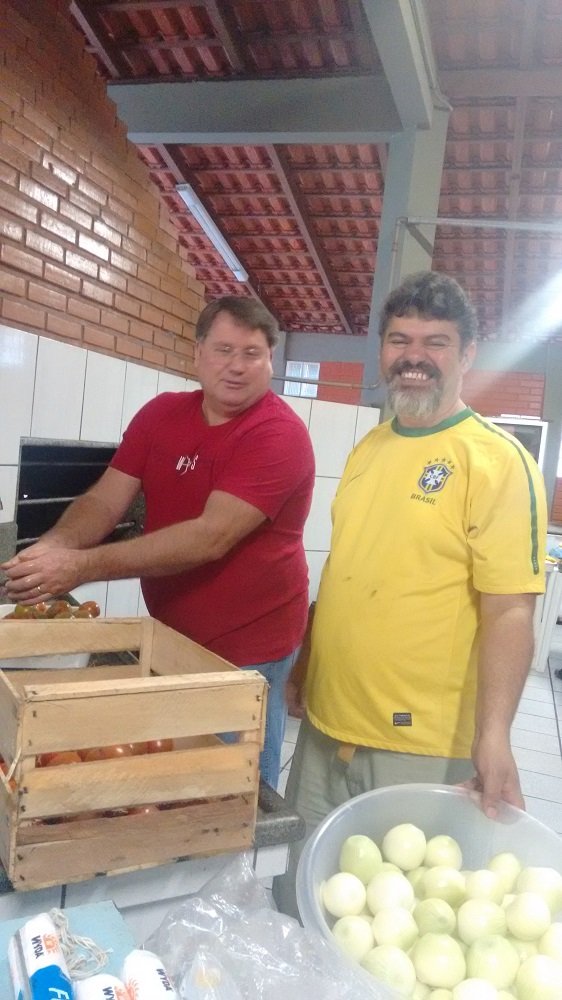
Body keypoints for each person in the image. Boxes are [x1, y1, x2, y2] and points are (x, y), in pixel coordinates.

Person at [273, 270, 547, 918]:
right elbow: (349, 569)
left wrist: (495, 735)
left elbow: (510, 610)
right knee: (300, 901)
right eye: (399, 340)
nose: (414, 357)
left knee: (394, 921)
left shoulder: (496, 461)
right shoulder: (370, 449)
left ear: (467, 354)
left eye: (436, 342)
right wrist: (307, 667)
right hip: (326, 730)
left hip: (419, 746)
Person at [1, 296, 315, 789]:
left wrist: (80, 568)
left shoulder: (278, 434)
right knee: (174, 769)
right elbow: (105, 500)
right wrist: (57, 548)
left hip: (249, 646)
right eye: (224, 350)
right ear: (198, 353)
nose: (236, 366)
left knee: (232, 782)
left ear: (270, 361)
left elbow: (209, 538)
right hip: (172, 633)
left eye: (252, 353)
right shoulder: (163, 414)